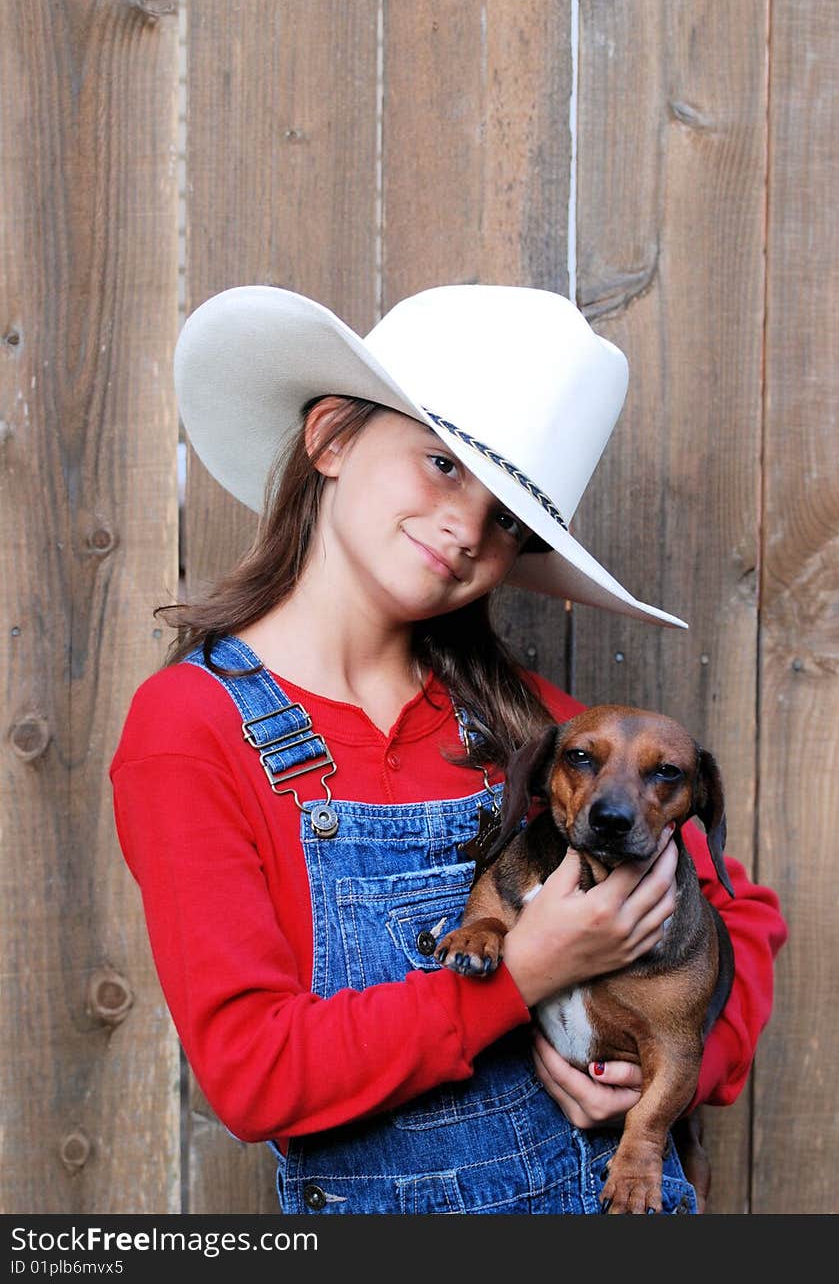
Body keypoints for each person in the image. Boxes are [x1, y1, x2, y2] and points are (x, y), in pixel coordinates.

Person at [110, 283, 787, 1216]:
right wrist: (523, 975)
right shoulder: (190, 729)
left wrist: (660, 1068)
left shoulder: (528, 725)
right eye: (441, 464)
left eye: (510, 520)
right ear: (332, 438)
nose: (469, 529)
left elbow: (738, 913)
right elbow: (251, 1072)